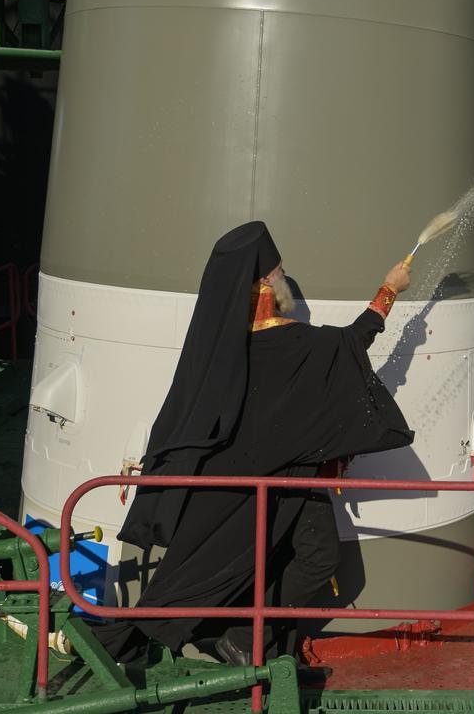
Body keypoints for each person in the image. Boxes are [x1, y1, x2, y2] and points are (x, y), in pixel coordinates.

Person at [91, 220, 414, 664]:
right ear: (264, 283)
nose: (284, 280)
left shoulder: (219, 353)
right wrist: (389, 289)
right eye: (279, 273)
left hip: (233, 489)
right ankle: (243, 637)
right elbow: (351, 343)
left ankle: (235, 634)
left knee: (226, 565)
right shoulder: (295, 343)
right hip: (291, 479)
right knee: (317, 559)